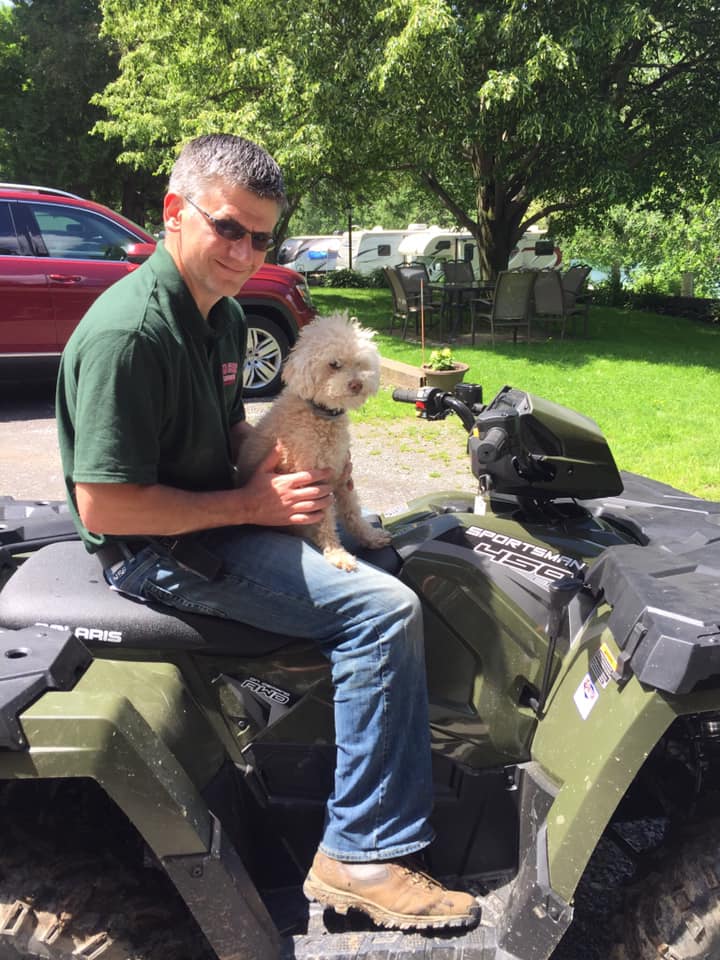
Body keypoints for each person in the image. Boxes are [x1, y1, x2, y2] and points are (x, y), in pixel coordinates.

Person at [55, 133, 479, 931]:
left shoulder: (210, 313)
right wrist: (249, 509)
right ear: (174, 214)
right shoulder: (130, 334)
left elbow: (221, 437)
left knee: (399, 549)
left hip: (215, 513)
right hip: (160, 555)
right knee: (381, 612)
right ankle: (362, 853)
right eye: (228, 228)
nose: (246, 252)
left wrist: (276, 475)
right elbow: (107, 509)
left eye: (261, 236)